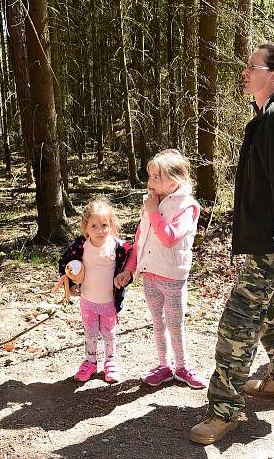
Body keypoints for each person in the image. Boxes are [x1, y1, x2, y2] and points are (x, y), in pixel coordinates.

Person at [189, 43, 274, 445]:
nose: (244, 72)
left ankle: (223, 410)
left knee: (237, 325)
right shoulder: (273, 114)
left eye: (252, 66)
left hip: (272, 244)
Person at [114, 149, 206, 389]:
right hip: (149, 275)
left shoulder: (187, 207)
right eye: (150, 177)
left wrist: (154, 210)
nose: (150, 182)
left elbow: (169, 237)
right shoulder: (150, 203)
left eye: (156, 177)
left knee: (175, 324)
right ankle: (164, 365)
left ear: (174, 180)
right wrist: (129, 270)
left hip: (172, 276)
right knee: (158, 322)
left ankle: (183, 366)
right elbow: (140, 240)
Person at [58, 197, 131, 383]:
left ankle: (110, 361)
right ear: (85, 227)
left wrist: (125, 278)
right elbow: (65, 263)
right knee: (90, 331)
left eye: (104, 225)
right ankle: (90, 361)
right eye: (94, 226)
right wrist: (72, 285)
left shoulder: (118, 247)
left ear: (111, 224)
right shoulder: (81, 246)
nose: (100, 231)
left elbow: (130, 265)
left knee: (109, 332)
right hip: (88, 301)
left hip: (108, 301)